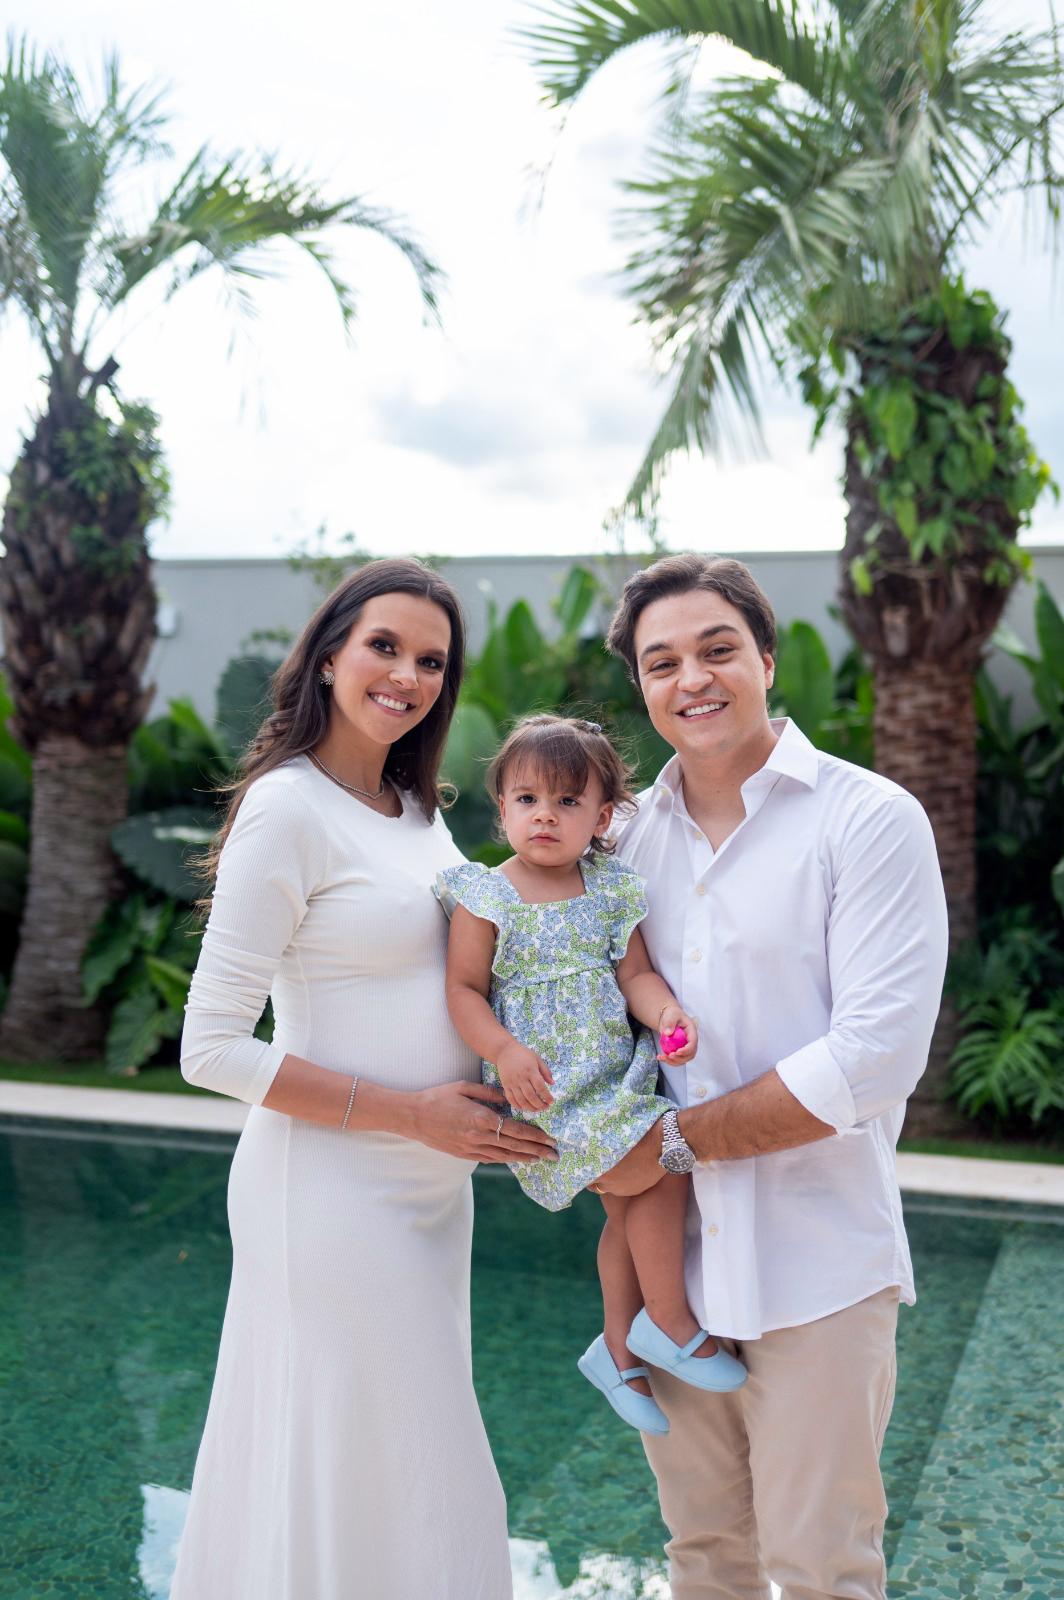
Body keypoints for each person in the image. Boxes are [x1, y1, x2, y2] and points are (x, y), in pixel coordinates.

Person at [169, 558, 556, 1600]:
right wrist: (410, 1114)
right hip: (331, 1192)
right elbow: (208, 1048)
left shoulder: (412, 811)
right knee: (375, 1459)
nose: (407, 674)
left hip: (430, 1189)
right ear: (330, 652)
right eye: (384, 646)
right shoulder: (285, 809)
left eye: (431, 659)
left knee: (400, 1468)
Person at [595, 553, 949, 1600]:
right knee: (705, 1560)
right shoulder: (614, 839)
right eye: (660, 662)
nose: (691, 678)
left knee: (823, 1569)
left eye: (714, 650)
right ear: (641, 688)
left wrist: (662, 1144)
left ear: (764, 656)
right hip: (673, 1279)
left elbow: (872, 1060)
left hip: (819, 1270)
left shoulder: (866, 818)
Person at [437, 713, 746, 1440]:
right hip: (550, 1092)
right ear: (503, 808)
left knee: (628, 1202)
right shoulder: (487, 895)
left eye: (568, 802)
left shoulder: (610, 889)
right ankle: (667, 1321)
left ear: (602, 817)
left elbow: (634, 974)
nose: (545, 815)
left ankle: (618, 1350)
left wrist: (667, 1013)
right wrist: (507, 1052)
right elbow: (462, 992)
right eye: (527, 799)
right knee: (663, 1166)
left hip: (616, 1079)